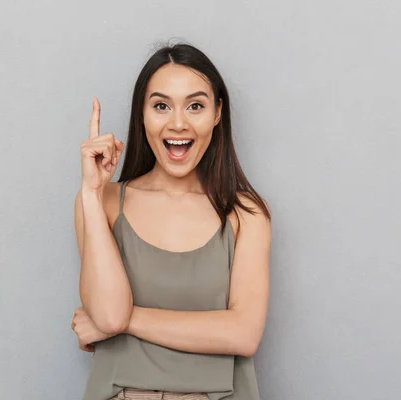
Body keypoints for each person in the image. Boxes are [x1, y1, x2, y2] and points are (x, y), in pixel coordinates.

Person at [71, 42, 272, 400]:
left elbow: (243, 334)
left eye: (195, 106)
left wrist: (125, 321)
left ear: (217, 113)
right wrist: (90, 191)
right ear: (142, 115)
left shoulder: (245, 214)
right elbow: (108, 316)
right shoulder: (103, 202)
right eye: (161, 106)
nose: (178, 123)